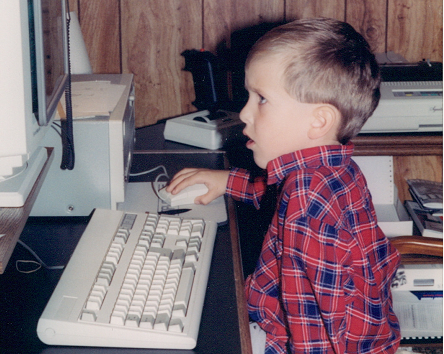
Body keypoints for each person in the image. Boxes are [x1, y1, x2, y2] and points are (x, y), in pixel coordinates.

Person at [166, 18, 401, 353]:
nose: (244, 113)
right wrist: (227, 181)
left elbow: (313, 322)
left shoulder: (306, 196)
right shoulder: (335, 168)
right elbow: (276, 195)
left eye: (260, 99)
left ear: (318, 121)